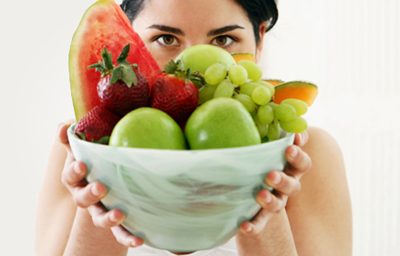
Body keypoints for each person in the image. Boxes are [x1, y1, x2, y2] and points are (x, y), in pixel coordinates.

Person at [35, 0, 352, 255]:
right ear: (128, 43)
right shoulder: (80, 150)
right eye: (166, 39)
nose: (193, 64)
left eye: (224, 39)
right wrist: (105, 180)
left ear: (259, 41)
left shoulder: (308, 154)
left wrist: (262, 196)